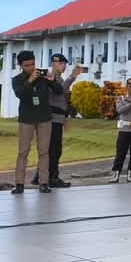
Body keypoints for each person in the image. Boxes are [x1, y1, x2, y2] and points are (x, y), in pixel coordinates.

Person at [11, 50, 63, 194]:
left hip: (44, 118)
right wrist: (29, 81)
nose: (31, 68)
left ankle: (44, 182)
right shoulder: (17, 79)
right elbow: (20, 94)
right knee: (23, 151)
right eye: (27, 65)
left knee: (44, 151)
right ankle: (19, 183)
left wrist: (52, 80)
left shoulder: (43, 75)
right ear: (20, 65)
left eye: (33, 64)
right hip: (26, 119)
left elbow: (59, 91)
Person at [33, 54, 82, 188]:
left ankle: (40, 176)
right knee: (53, 150)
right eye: (61, 64)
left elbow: (62, 99)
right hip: (51, 118)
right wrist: (72, 77)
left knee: (51, 149)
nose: (64, 66)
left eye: (65, 64)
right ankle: (51, 177)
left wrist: (65, 116)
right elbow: (60, 91)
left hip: (58, 117)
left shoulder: (59, 78)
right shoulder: (50, 78)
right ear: (54, 64)